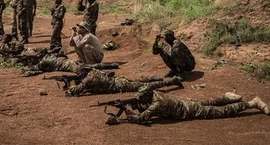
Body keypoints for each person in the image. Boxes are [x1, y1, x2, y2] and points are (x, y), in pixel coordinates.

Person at [107, 87, 269, 125]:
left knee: (221, 112)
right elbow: (143, 101)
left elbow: (141, 118)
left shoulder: (157, 103)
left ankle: (252, 103)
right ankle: (226, 97)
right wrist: (133, 102)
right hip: (184, 103)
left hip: (188, 110)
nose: (139, 99)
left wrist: (126, 110)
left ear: (147, 96)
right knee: (208, 101)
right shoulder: (154, 93)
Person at [66, 68, 183, 96]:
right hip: (118, 80)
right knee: (138, 81)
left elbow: (76, 91)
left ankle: (171, 82)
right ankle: (155, 77)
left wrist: (69, 88)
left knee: (145, 86)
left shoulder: (88, 80)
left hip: (120, 85)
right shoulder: (94, 71)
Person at [17, 49, 118, 77]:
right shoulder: (50, 56)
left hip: (69, 65)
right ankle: (112, 65)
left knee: (85, 70)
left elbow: (35, 68)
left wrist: (28, 64)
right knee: (89, 65)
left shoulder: (45, 61)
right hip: (70, 61)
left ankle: (105, 73)